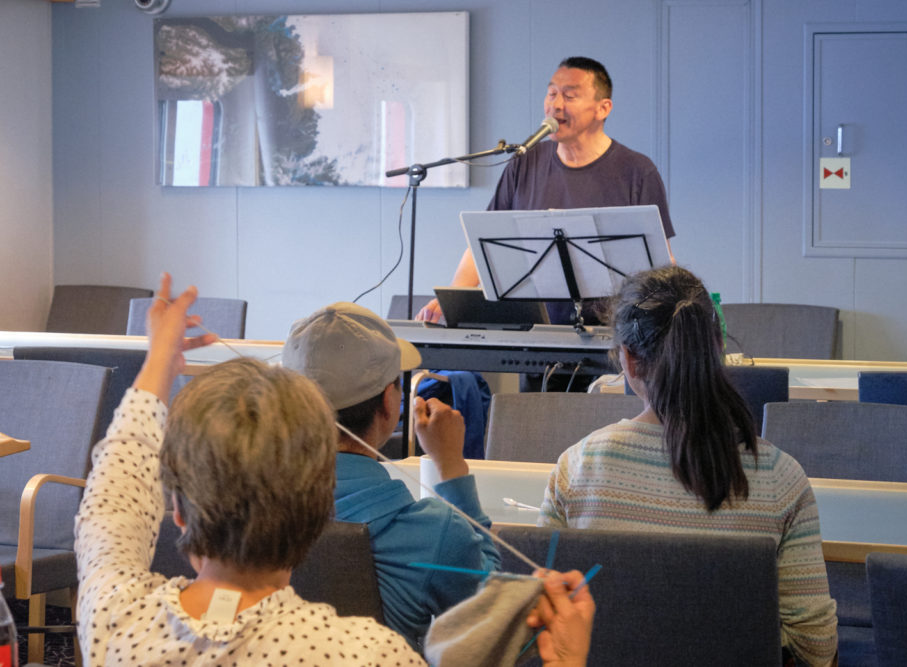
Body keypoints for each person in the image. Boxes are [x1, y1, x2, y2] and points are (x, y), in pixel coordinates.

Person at [75, 274, 594, 666]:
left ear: (178, 514)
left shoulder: (115, 620)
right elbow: (489, 610)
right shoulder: (366, 654)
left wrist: (156, 367)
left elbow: (111, 507)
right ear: (307, 516)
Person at [538, 265, 838, 666]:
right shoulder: (782, 479)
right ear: (716, 349)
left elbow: (543, 616)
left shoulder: (577, 468)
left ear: (628, 359)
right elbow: (816, 650)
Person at [282, 302, 501, 650]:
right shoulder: (433, 531)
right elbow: (494, 621)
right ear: (390, 403)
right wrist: (451, 468)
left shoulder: (242, 512)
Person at [417, 56, 676, 326]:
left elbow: (660, 260)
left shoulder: (637, 171)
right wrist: (453, 300)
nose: (556, 105)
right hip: (532, 329)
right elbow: (480, 246)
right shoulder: (524, 162)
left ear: (603, 108)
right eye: (552, 93)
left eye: (570, 95)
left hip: (613, 334)